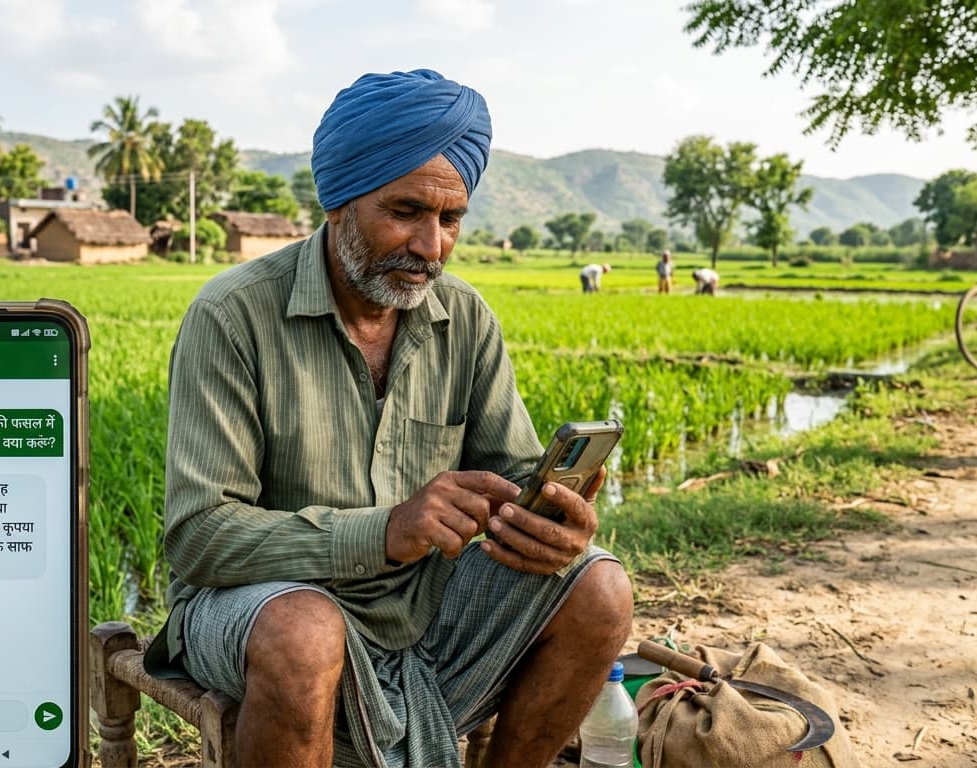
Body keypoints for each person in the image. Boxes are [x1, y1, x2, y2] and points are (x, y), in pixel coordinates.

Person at [144, 69, 634, 768]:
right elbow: (199, 538)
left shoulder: (464, 319)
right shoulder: (232, 317)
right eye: (405, 211)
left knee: (601, 588)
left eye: (451, 219)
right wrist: (387, 531)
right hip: (258, 609)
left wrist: (553, 520)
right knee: (304, 632)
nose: (431, 246)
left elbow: (513, 477)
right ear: (339, 202)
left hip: (422, 601)